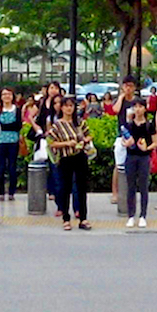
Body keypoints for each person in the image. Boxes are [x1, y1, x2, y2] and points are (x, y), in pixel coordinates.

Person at [46, 95, 92, 231]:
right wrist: (66, 143)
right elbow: (51, 143)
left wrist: (84, 141)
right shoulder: (58, 125)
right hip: (65, 158)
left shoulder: (79, 122)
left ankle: (83, 218)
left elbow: (89, 134)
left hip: (80, 156)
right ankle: (66, 218)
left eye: (71, 106)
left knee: (81, 187)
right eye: (66, 106)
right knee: (65, 188)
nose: (68, 108)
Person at [123, 98, 157, 228]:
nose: (138, 109)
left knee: (143, 187)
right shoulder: (129, 125)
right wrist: (126, 143)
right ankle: (131, 215)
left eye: (140, 106)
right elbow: (123, 139)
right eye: (135, 107)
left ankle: (143, 215)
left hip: (144, 158)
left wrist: (147, 148)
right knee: (130, 187)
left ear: (145, 108)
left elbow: (155, 142)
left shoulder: (149, 125)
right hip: (130, 157)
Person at [111, 76, 137, 204]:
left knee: (134, 165)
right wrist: (121, 97)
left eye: (131, 86)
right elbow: (115, 110)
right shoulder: (120, 101)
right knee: (118, 165)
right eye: (126, 86)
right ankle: (115, 192)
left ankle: (131, 191)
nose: (128, 88)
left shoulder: (136, 102)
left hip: (134, 135)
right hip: (121, 136)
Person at [0, 87, 23, 202]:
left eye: (9, 94)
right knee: (1, 167)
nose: (7, 96)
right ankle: (1, 192)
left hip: (13, 141)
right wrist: (8, 126)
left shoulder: (17, 110)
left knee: (12, 167)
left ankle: (12, 192)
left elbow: (17, 126)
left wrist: (6, 126)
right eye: (4, 94)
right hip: (0, 141)